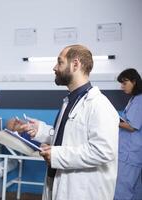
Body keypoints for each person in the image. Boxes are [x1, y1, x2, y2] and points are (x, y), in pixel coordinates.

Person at [19, 44, 119, 200]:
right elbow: (69, 138)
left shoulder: (99, 105)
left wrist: (57, 154)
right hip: (58, 183)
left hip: (82, 191)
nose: (54, 67)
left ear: (75, 64)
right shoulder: (70, 101)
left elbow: (103, 151)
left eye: (59, 62)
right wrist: (42, 131)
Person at [114, 68, 142, 200]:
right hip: (134, 154)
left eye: (124, 83)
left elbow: (132, 126)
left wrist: (113, 119)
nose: (121, 87)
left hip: (129, 155)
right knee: (136, 191)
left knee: (122, 191)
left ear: (134, 81)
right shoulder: (134, 99)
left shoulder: (139, 100)